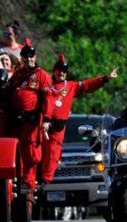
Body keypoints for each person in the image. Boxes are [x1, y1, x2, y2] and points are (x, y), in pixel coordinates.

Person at [40, 54, 118, 186]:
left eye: (65, 71)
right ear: (54, 70)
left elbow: (88, 85)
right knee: (38, 154)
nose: (62, 73)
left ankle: (45, 183)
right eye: (59, 70)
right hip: (42, 126)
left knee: (53, 154)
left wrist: (105, 79)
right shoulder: (45, 85)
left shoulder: (70, 87)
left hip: (58, 128)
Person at [3, 38, 53, 192]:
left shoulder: (42, 75)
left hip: (32, 119)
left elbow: (49, 99)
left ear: (35, 57)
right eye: (25, 57)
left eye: (31, 57)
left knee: (31, 153)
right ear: (21, 58)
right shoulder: (17, 75)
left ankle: (28, 182)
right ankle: (12, 181)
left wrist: (46, 120)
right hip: (15, 118)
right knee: (12, 150)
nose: (28, 60)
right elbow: (8, 91)